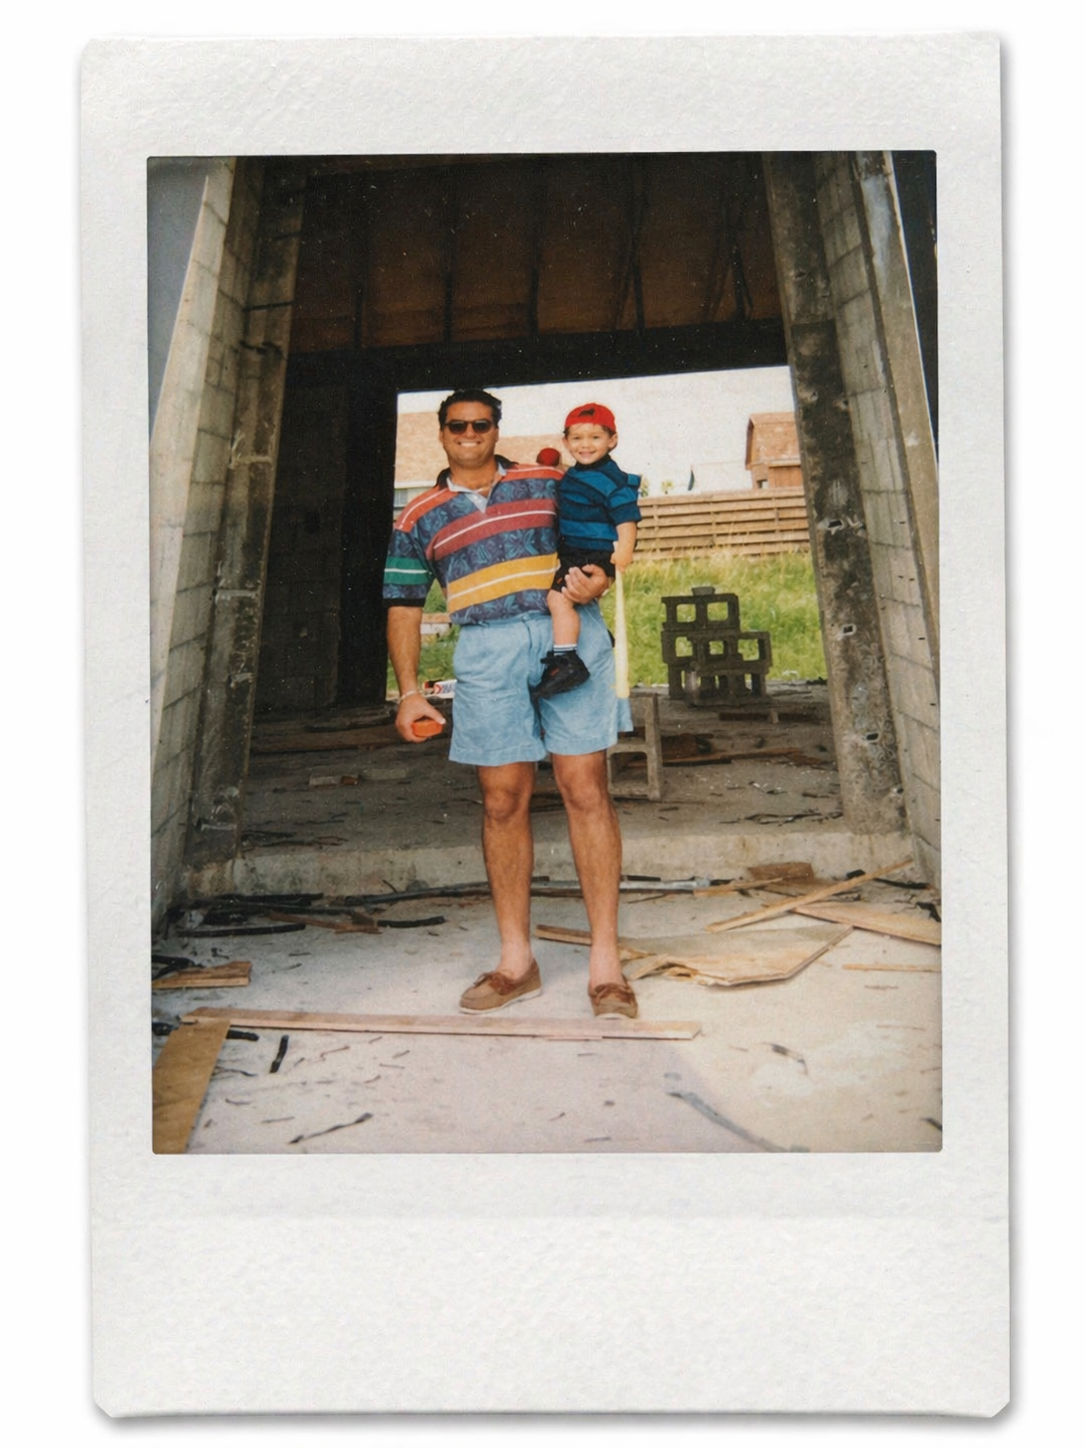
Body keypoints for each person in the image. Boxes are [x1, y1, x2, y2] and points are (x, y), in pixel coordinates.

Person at [383, 388, 638, 1019]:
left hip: (569, 630)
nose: (469, 433)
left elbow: (606, 521)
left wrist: (602, 572)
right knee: (502, 800)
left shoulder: (547, 480)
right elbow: (403, 605)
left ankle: (606, 965)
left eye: (481, 423)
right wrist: (410, 690)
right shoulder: (417, 515)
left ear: (497, 429)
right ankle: (516, 960)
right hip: (486, 649)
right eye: (457, 425)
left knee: (586, 788)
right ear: (441, 433)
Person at [532, 402, 641, 701]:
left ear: (612, 440)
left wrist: (626, 552)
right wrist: (552, 467)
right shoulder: (579, 474)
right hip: (573, 549)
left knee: (557, 599)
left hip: (591, 552)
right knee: (568, 598)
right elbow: (573, 482)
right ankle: (596, 636)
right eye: (577, 438)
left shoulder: (614, 481)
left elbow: (626, 519)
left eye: (595, 437)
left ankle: (567, 660)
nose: (586, 445)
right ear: (566, 441)